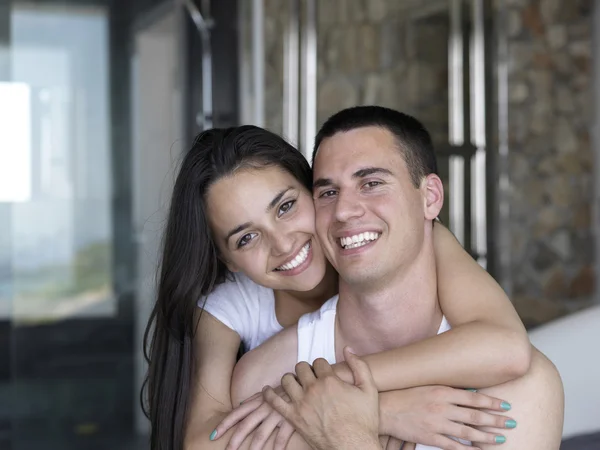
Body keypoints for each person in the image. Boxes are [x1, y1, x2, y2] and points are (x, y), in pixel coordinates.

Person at [142, 123, 539, 450]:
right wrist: (382, 412)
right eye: (246, 238)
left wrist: (340, 387)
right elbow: (202, 443)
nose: (283, 244)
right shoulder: (233, 315)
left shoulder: (406, 242)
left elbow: (504, 345)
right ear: (227, 260)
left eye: (286, 207)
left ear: (317, 195)